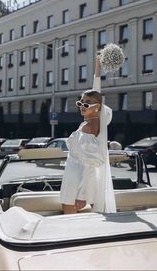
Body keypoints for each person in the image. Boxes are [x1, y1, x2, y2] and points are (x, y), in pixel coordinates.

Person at [60, 56, 116, 214]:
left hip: (76, 179)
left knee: (69, 218)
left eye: (87, 104)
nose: (82, 106)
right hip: (74, 174)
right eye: (81, 102)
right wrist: (98, 67)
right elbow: (97, 91)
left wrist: (81, 195)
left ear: (97, 107)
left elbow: (90, 163)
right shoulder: (95, 120)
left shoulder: (90, 127)